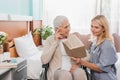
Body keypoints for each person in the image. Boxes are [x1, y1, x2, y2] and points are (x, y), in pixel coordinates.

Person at [72, 15, 118, 80]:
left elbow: (101, 68)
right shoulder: (94, 43)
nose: (93, 29)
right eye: (92, 26)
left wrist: (81, 62)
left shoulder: (107, 44)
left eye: (96, 27)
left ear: (104, 29)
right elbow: (89, 58)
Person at [41, 15, 87, 80]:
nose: (69, 29)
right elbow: (44, 60)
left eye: (69, 25)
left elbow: (87, 55)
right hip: (57, 71)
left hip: (73, 68)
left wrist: (78, 64)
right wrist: (55, 42)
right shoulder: (50, 40)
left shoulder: (73, 38)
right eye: (66, 27)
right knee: (65, 75)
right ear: (57, 29)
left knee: (80, 73)